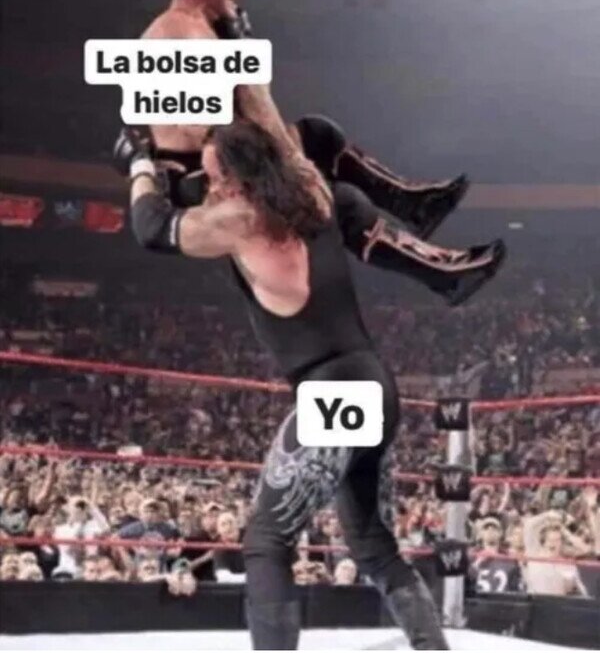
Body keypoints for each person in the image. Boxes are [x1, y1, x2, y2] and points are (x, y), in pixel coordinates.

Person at [113, 120, 506, 649]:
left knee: (266, 541)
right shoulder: (311, 190)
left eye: (218, 178)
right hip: (373, 382)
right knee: (372, 543)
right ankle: (433, 647)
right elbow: (248, 146)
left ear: (241, 178)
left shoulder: (240, 219)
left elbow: (151, 227)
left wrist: (140, 163)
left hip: (336, 389)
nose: (213, 188)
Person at [137, 0, 470, 247]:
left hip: (223, 161)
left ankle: (411, 205)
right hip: (200, 178)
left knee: (318, 136)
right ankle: (418, 221)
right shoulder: (177, 31)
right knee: (330, 193)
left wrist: (238, 44)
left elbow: (249, 102)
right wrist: (289, 159)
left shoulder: (204, 29)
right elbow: (198, 127)